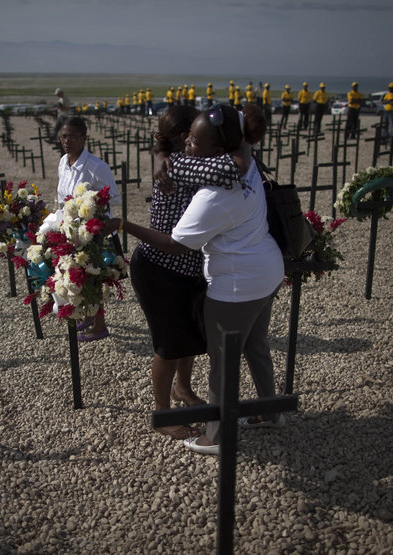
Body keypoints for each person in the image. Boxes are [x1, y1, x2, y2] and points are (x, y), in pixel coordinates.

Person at [104, 104, 285, 455]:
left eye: (194, 140)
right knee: (249, 345)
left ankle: (215, 437)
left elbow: (175, 243)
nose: (187, 143)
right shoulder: (243, 159)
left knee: (221, 361)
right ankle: (269, 412)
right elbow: (181, 146)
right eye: (185, 138)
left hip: (236, 282)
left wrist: (125, 225)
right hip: (264, 271)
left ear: (218, 150)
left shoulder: (215, 192)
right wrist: (161, 152)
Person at [128, 105, 209, 439]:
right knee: (169, 343)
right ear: (182, 137)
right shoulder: (180, 167)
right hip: (160, 268)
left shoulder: (173, 158)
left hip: (186, 267)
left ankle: (183, 389)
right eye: (197, 133)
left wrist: (160, 150)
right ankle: (162, 415)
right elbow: (225, 171)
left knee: (188, 338)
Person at [55, 116, 121, 341]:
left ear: (83, 138)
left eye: (73, 136)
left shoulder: (96, 166)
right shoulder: (64, 162)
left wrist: (89, 210)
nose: (67, 141)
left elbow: (112, 197)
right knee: (75, 274)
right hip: (71, 229)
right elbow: (61, 198)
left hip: (93, 231)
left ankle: (100, 325)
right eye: (64, 136)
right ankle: (87, 314)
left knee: (94, 276)